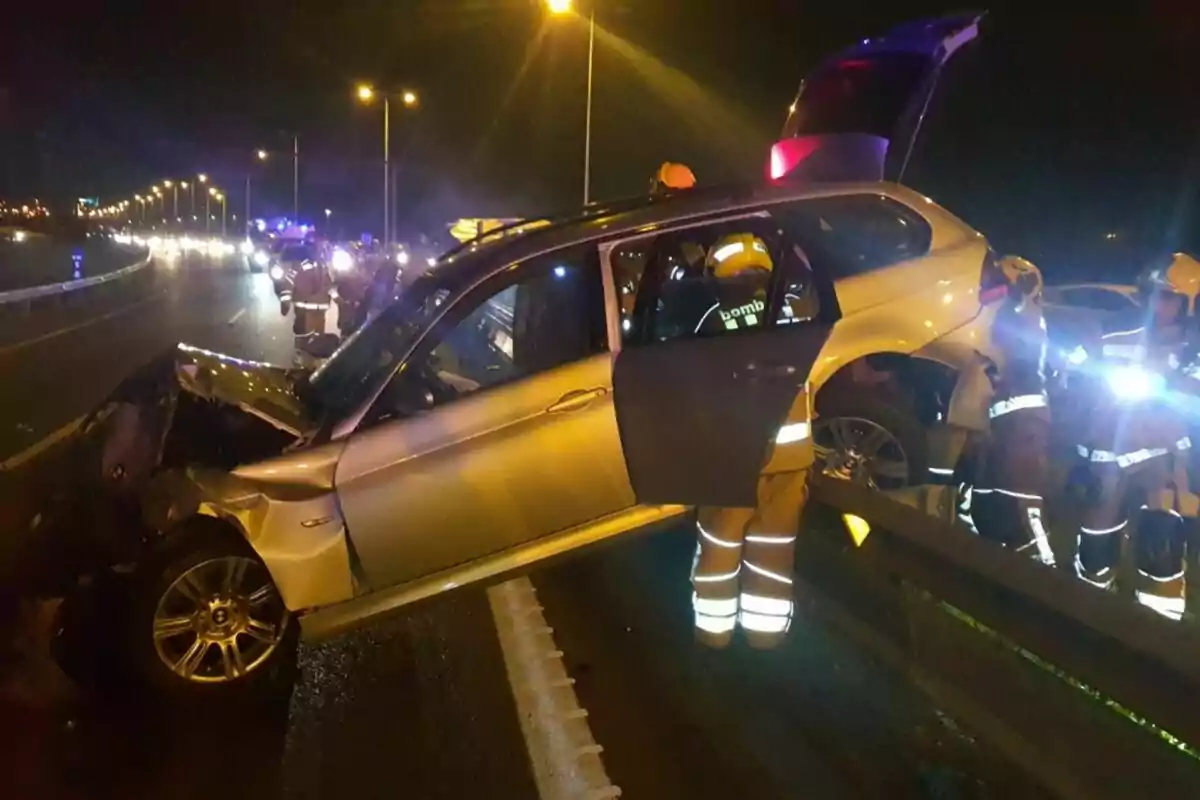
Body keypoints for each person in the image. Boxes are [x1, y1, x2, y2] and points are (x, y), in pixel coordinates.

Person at [690, 231, 812, 649]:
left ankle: (713, 636)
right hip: (791, 458)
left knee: (721, 544)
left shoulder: (710, 320)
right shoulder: (796, 312)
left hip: (735, 458)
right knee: (774, 547)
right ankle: (765, 640)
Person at [1071, 253, 1200, 619]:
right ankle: (1087, 626)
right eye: (1152, 294)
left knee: (1161, 547)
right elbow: (1077, 370)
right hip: (1107, 459)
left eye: (1169, 297)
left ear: (1190, 302)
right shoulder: (1111, 334)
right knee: (1095, 550)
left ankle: (1158, 640)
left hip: (1163, 464)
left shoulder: (1195, 349)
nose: (1157, 304)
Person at [966, 256, 1055, 564]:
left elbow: (1013, 364)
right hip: (1005, 420)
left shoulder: (1024, 315)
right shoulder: (1008, 313)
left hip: (1023, 423)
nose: (989, 288)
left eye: (997, 282)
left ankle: (1045, 577)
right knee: (993, 495)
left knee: (1022, 500)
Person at [287, 257, 333, 366]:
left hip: (306, 309)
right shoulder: (322, 266)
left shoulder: (298, 266)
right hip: (320, 308)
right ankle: (315, 362)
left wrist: (288, 300)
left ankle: (303, 360)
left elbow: (290, 283)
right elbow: (328, 285)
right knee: (317, 336)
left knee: (304, 335)